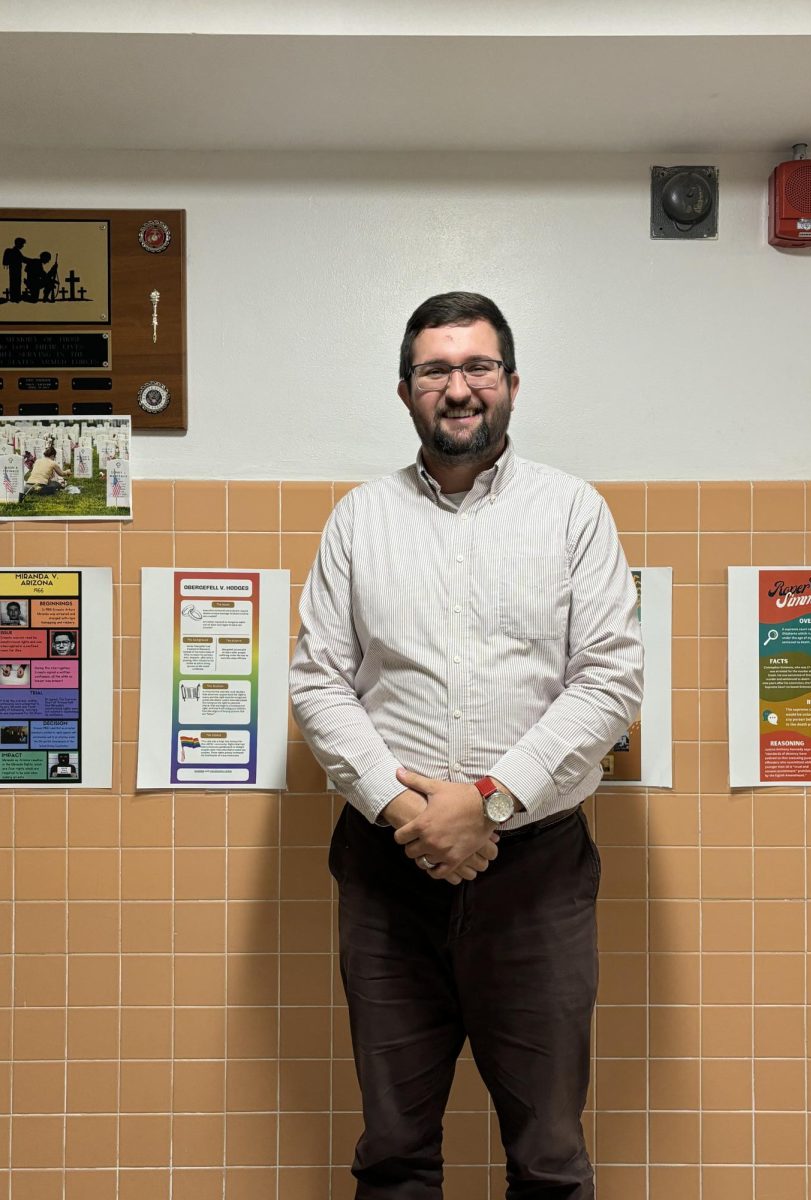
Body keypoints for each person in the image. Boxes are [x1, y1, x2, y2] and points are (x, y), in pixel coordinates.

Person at [291, 292, 643, 1199]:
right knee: (394, 1152)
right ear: (404, 391)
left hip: (537, 877)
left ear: (512, 384)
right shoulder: (359, 521)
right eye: (435, 370)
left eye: (477, 366)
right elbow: (318, 681)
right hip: (385, 869)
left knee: (551, 1158)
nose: (459, 388)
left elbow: (608, 680)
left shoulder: (573, 512)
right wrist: (408, 810)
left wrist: (482, 801)